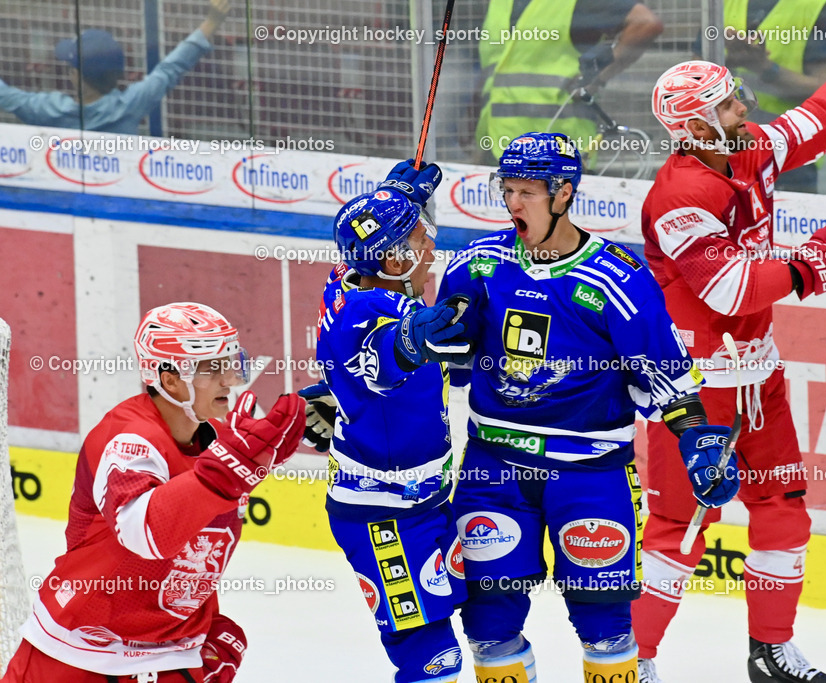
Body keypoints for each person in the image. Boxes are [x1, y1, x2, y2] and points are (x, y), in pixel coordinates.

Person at [632, 25, 826, 683]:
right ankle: (631, 661)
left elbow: (812, 126)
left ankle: (770, 651)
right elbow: (730, 288)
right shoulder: (678, 197)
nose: (746, 108)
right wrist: (811, 268)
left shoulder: (750, 149)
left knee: (784, 507)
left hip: (755, 372)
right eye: (730, 105)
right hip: (692, 389)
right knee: (679, 531)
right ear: (698, 127)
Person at [436, 132, 739, 683]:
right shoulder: (474, 267)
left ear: (564, 193)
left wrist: (698, 438)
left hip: (590, 471)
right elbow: (442, 355)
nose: (513, 204)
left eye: (527, 192)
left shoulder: (617, 277)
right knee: (487, 622)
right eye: (508, 190)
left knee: (605, 627)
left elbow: (666, 378)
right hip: (493, 467)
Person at [2, 302, 305, 683]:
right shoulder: (129, 439)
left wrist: (203, 623)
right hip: (75, 657)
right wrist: (230, 470)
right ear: (170, 379)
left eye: (231, 362)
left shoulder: (218, 445)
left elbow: (196, 551)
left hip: (168, 656)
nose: (229, 379)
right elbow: (144, 534)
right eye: (212, 368)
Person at [300, 160, 474, 683]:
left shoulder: (346, 279)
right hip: (384, 517)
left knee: (482, 616)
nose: (431, 246)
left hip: (425, 500)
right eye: (422, 237)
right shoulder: (376, 315)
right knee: (431, 659)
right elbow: (379, 359)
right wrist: (411, 343)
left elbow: (368, 239)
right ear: (395, 259)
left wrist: (397, 193)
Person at [0, 0, 230, 134]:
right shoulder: (129, 106)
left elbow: (7, 96)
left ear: (77, 76)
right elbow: (170, 69)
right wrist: (211, 22)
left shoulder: (49, 110)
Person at [476, 0, 663, 161]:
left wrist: (596, 80)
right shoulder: (500, 3)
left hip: (558, 151)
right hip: (497, 145)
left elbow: (645, 24)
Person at [722, 0, 826, 192]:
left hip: (787, 152)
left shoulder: (813, 7)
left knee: (787, 218)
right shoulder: (721, 4)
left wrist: (767, 69)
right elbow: (697, 69)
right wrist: (726, 61)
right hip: (726, 146)